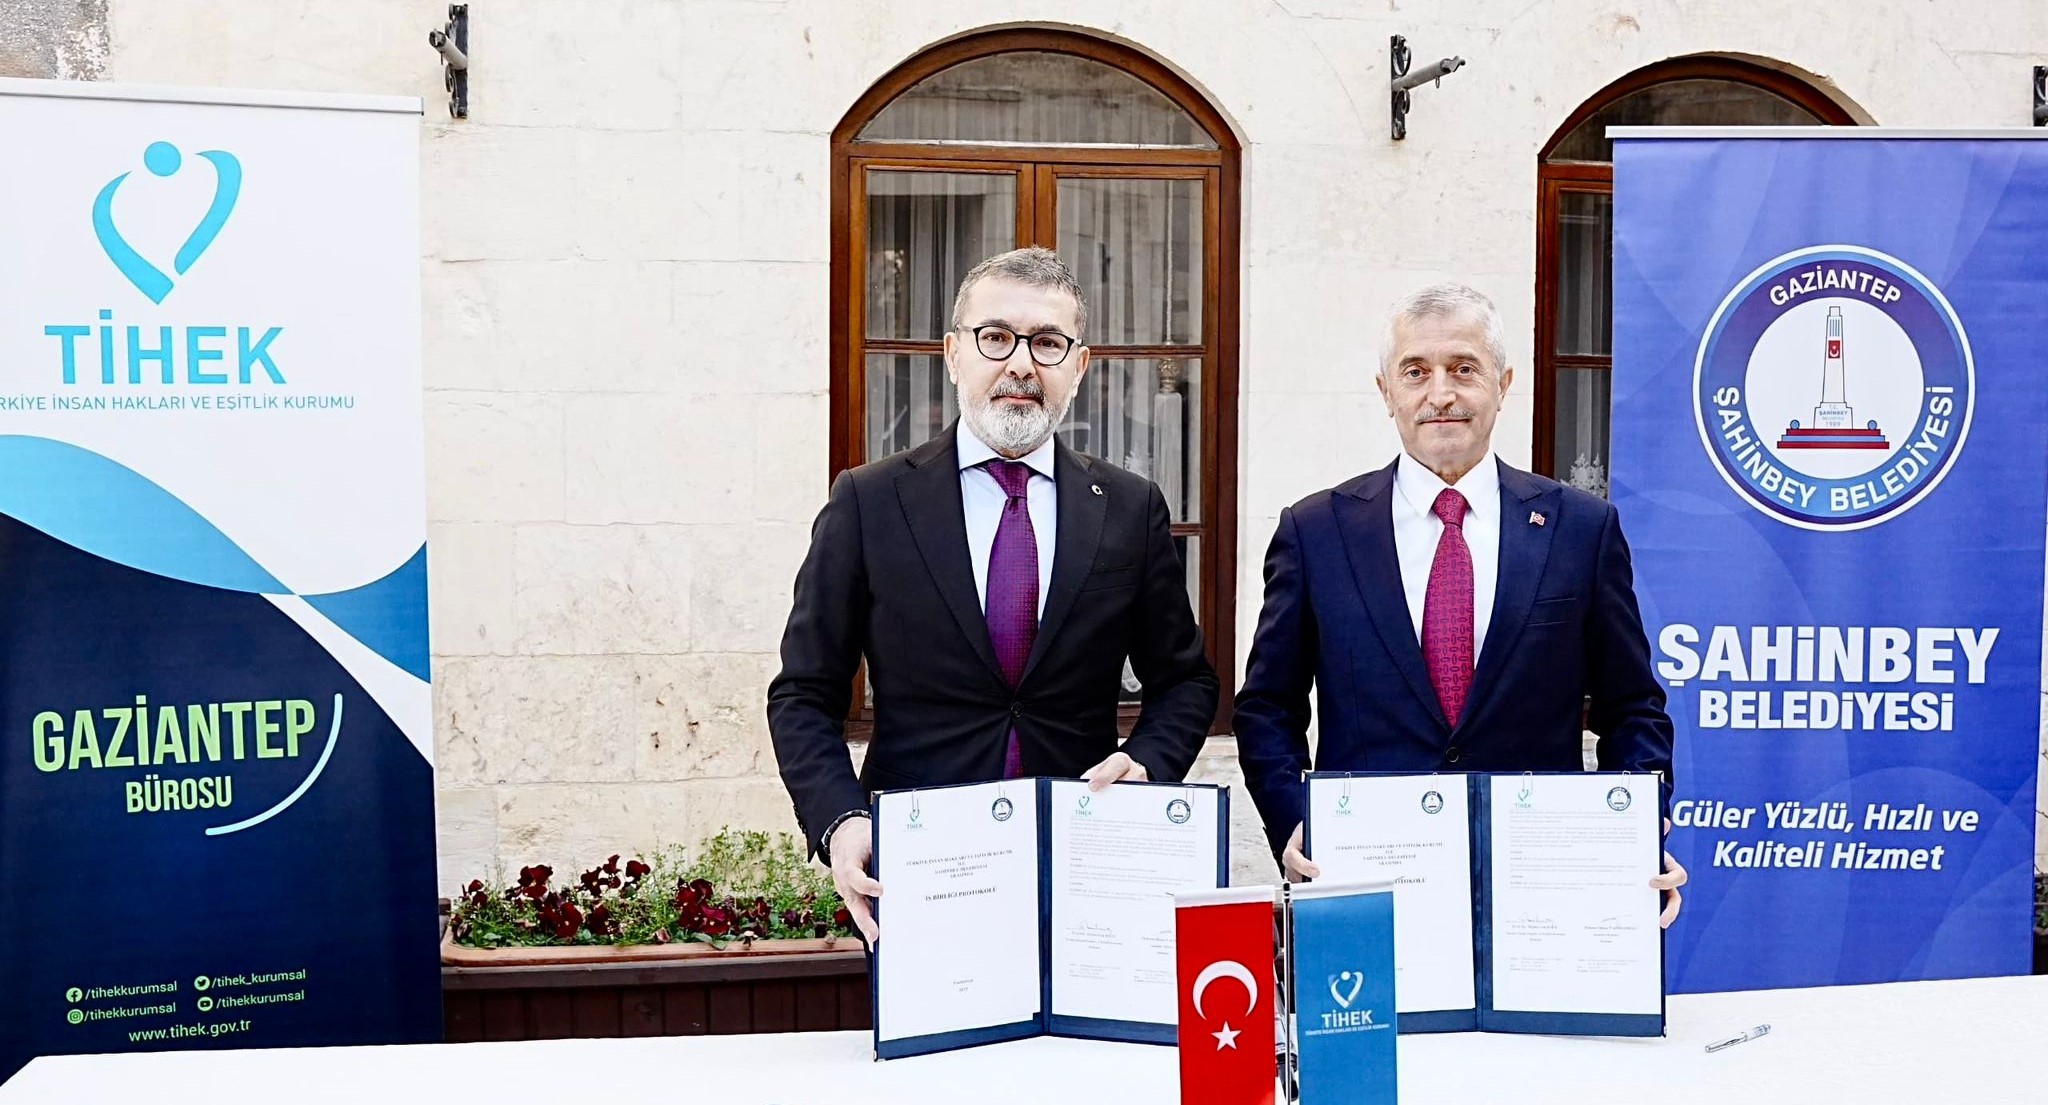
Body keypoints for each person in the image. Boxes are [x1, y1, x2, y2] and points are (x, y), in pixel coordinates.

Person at [769, 247, 1218, 944]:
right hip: (920, 873)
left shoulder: (1129, 509)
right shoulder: (869, 501)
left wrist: (1149, 760)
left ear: (1079, 366)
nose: (1021, 365)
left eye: (1047, 343)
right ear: (953, 354)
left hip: (1083, 868)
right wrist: (842, 819)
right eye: (996, 337)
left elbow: (1186, 681)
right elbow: (803, 693)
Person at [1234, 282, 1688, 924]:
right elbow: (1266, 707)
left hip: (1539, 896)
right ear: (1386, 391)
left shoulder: (1581, 530)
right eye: (1415, 372)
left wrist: (1635, 833)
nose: (1440, 393)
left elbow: (1633, 709)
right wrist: (1292, 821)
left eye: (1463, 368)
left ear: (1503, 385)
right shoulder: (1316, 532)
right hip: (1365, 888)